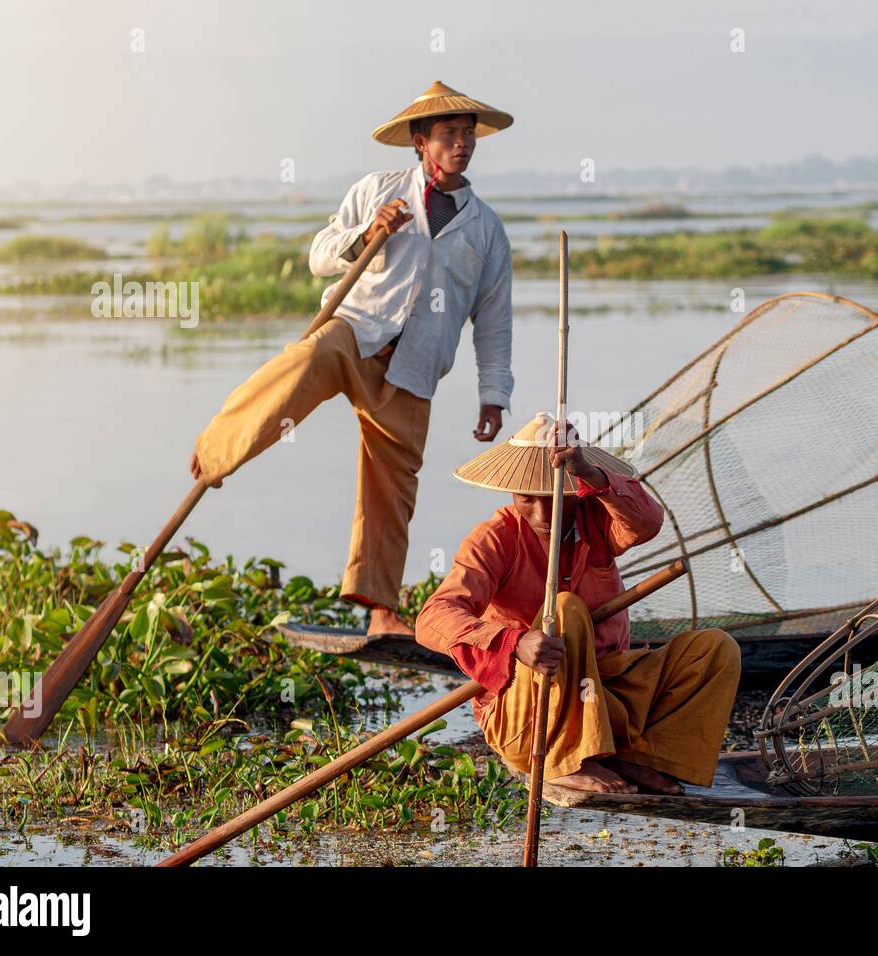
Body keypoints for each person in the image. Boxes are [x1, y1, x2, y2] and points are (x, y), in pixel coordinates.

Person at [189, 81, 515, 638]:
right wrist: (369, 232)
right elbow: (320, 255)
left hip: (413, 369)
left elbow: (494, 319)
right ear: (421, 142)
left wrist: (494, 394)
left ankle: (383, 613)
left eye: (467, 134)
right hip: (356, 333)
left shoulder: (486, 230)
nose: (461, 144)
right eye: (448, 135)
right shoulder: (376, 190)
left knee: (394, 487)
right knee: (303, 361)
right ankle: (218, 450)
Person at [414, 414, 741, 794]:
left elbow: (647, 524)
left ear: (573, 490)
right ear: (511, 494)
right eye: (527, 500)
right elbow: (433, 619)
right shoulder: (495, 538)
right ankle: (563, 760)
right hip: (531, 717)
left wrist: (590, 472)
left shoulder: (596, 518)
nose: (542, 515)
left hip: (604, 697)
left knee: (716, 650)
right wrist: (515, 643)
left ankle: (641, 758)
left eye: (554, 499)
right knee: (563, 610)